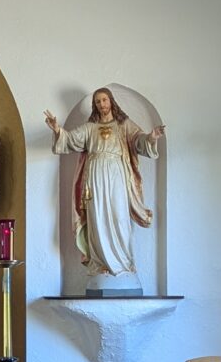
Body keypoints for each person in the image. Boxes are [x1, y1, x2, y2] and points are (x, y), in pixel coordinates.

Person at [43, 87, 164, 279]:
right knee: (97, 217)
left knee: (120, 217)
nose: (102, 104)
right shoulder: (89, 128)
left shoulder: (124, 124)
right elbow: (70, 140)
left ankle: (124, 264)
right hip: (94, 176)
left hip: (117, 175)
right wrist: (57, 129)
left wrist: (151, 137)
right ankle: (100, 265)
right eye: (98, 101)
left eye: (105, 100)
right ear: (95, 105)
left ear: (111, 101)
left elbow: (138, 141)